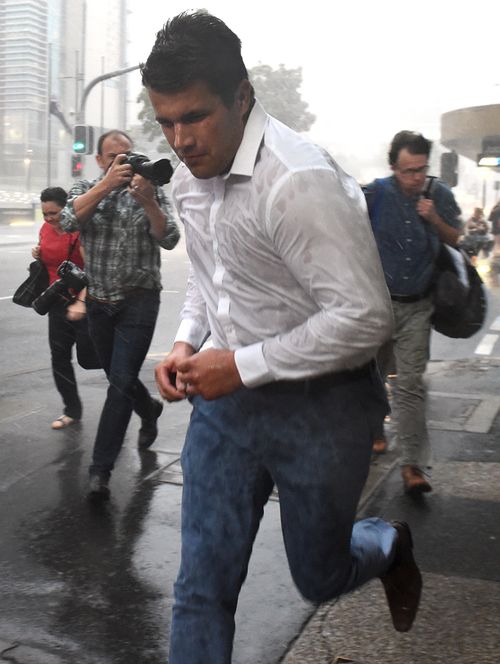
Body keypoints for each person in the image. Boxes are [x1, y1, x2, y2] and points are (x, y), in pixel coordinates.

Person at [141, 12, 423, 663]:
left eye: (195, 116)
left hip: (324, 408)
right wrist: (187, 342)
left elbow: (362, 319)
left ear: (241, 96)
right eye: (166, 121)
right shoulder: (187, 173)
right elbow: (213, 278)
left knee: (317, 576)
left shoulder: (299, 183)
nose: (180, 140)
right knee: (199, 590)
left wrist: (239, 365)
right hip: (226, 407)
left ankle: (386, 545)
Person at [59, 130, 180, 499]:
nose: (123, 162)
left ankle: (100, 471)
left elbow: (170, 237)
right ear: (99, 161)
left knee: (119, 381)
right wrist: (106, 185)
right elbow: (67, 221)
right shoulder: (85, 186)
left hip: (140, 301)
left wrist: (148, 202)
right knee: (120, 378)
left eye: (127, 155)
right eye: (113, 157)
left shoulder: (148, 187)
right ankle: (148, 409)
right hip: (99, 302)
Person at [363, 131, 461, 494]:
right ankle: (374, 430)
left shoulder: (439, 195)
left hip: (418, 305)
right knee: (371, 375)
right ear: (393, 168)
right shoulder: (374, 195)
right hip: (378, 304)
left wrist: (434, 218)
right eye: (408, 171)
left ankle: (412, 466)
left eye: (421, 170)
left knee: (410, 385)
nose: (415, 178)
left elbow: (456, 238)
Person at [33, 187, 87, 429]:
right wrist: (38, 252)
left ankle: (140, 404)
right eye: (44, 214)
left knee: (103, 361)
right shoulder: (45, 229)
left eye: (53, 213)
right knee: (60, 359)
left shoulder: (78, 231)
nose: (49, 219)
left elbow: (94, 269)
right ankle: (71, 409)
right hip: (57, 303)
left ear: (65, 208)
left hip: (86, 304)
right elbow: (48, 258)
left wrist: (82, 302)